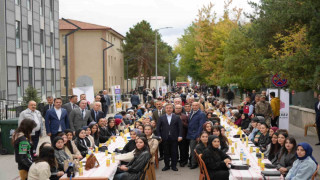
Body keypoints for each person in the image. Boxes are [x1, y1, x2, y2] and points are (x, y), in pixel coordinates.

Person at [157, 103, 183, 171]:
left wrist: (180, 135)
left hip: (174, 137)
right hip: (164, 138)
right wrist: (159, 136)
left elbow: (180, 127)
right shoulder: (161, 117)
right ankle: (167, 165)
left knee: (174, 152)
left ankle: (173, 166)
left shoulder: (177, 117)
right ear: (165, 109)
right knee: (166, 152)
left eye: (170, 108)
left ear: (172, 109)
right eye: (167, 108)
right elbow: (158, 128)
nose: (169, 109)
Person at [187, 102, 206, 169]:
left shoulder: (201, 114)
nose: (194, 107)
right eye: (193, 105)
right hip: (190, 133)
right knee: (191, 149)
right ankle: (191, 161)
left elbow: (201, 126)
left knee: (193, 149)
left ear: (199, 106)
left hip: (195, 134)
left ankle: (194, 163)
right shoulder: (192, 112)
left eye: (196, 105)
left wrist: (198, 135)